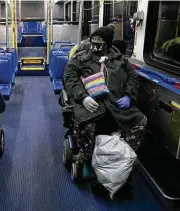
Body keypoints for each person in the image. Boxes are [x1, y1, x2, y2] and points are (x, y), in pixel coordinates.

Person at [63, 26, 147, 183]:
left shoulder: (120, 59)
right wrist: (83, 98)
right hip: (90, 103)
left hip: (116, 104)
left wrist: (129, 95)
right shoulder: (80, 58)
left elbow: (133, 78)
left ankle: (122, 157)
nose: (96, 44)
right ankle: (85, 157)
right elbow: (70, 78)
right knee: (85, 122)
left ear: (107, 43)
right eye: (93, 40)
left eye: (100, 41)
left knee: (140, 121)